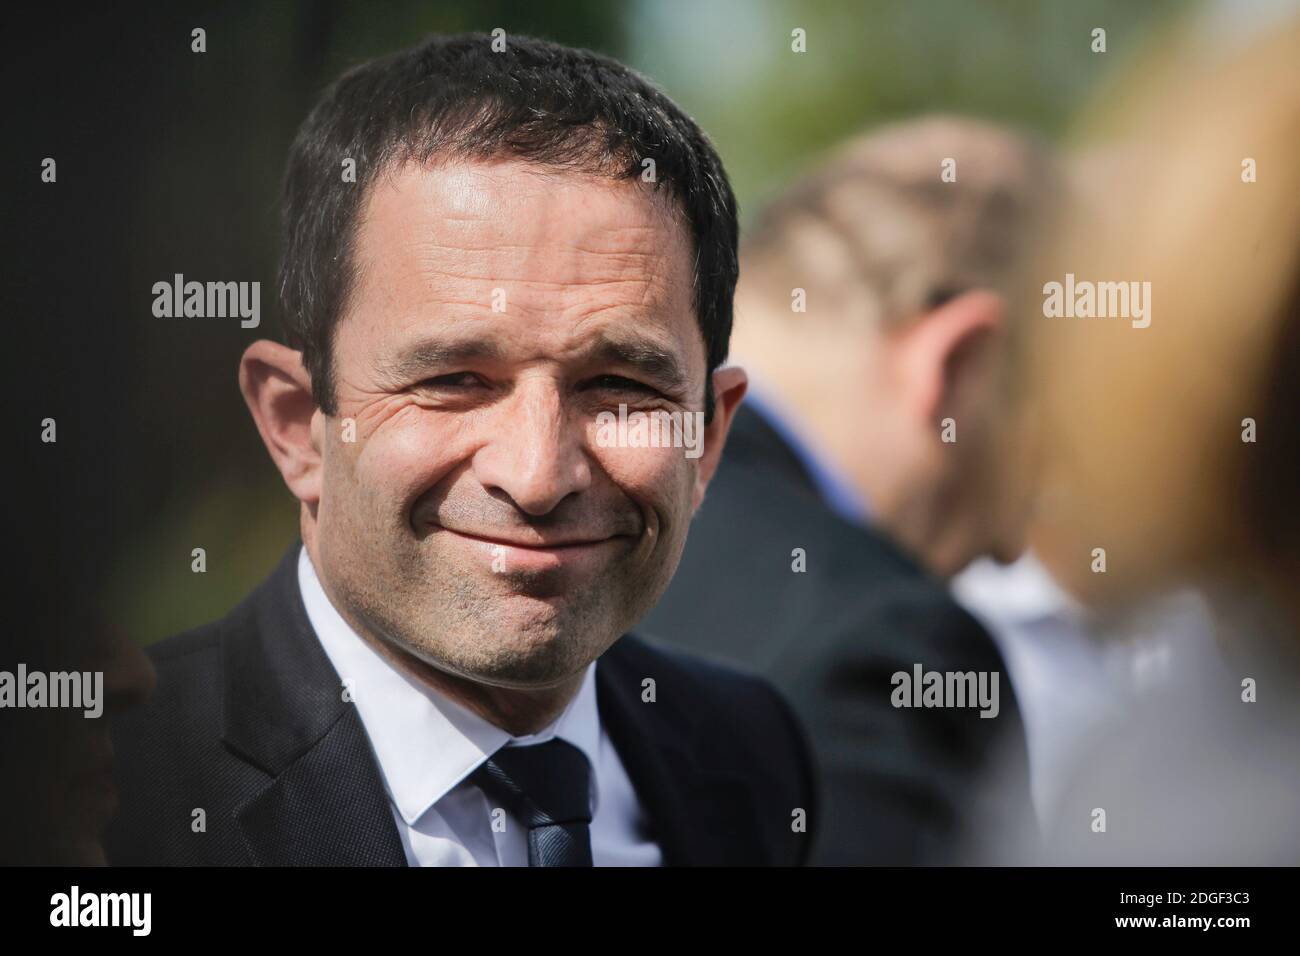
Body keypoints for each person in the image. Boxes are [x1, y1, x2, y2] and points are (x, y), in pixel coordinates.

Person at [104, 32, 815, 867]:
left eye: (620, 387)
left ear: (706, 434)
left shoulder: (749, 757)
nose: (538, 475)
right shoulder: (106, 791)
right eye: (454, 380)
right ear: (296, 424)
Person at [644, 117, 1058, 863]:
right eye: (1040, 448)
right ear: (962, 360)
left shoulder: (533, 538)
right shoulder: (890, 646)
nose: (1009, 549)